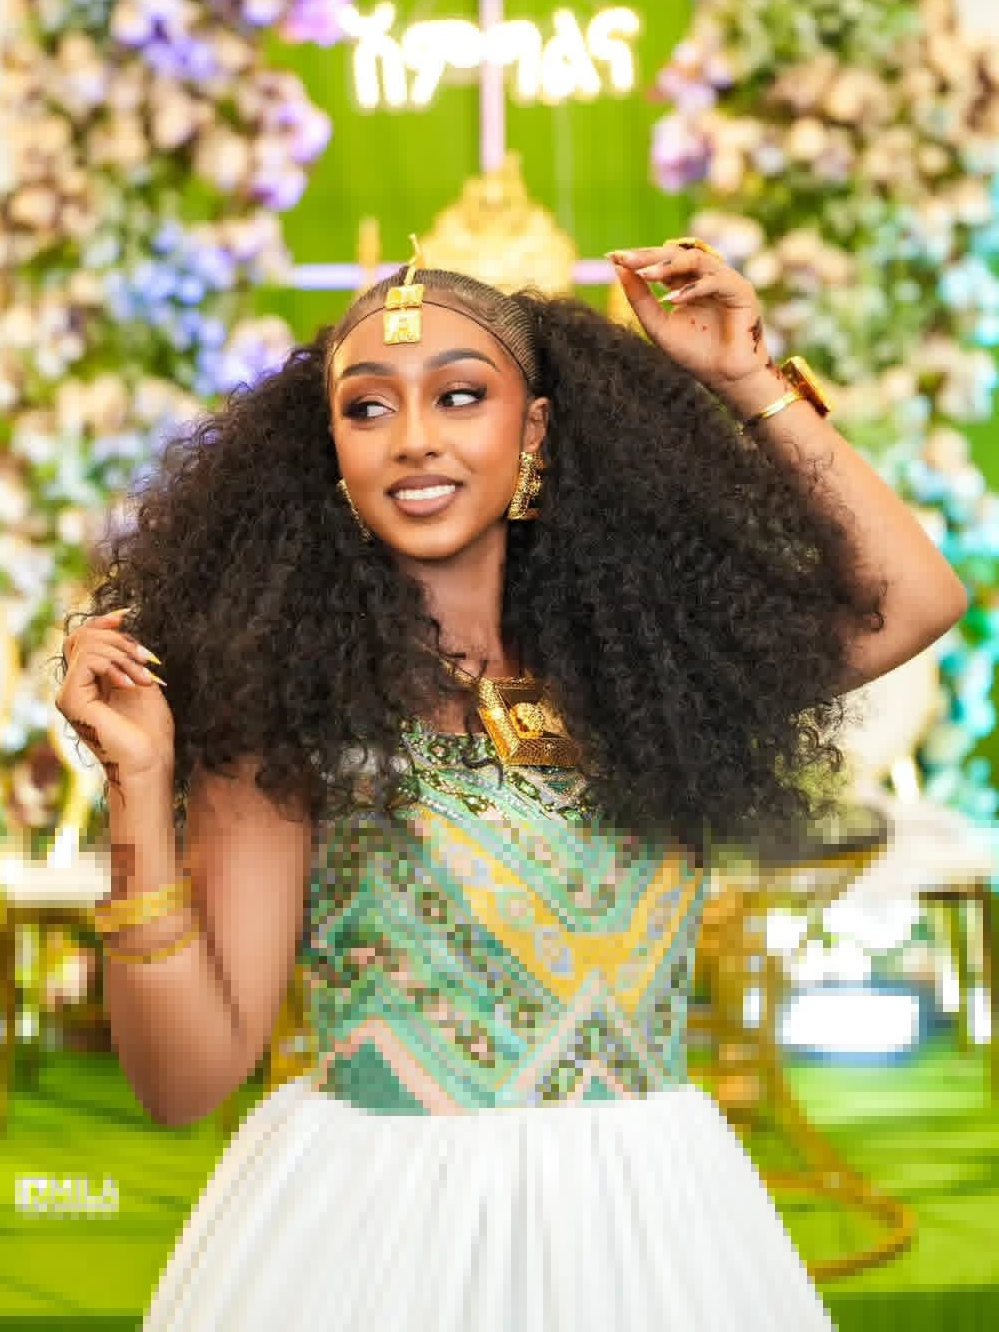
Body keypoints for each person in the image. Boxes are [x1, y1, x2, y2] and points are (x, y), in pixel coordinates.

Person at [57, 239, 967, 1330]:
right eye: (368, 409)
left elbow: (912, 595)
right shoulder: (286, 721)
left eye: (460, 396)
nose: (417, 439)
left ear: (533, 431)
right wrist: (137, 788)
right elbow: (184, 1082)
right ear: (329, 455)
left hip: (653, 1233)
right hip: (377, 1244)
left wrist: (745, 378)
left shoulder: (657, 681)